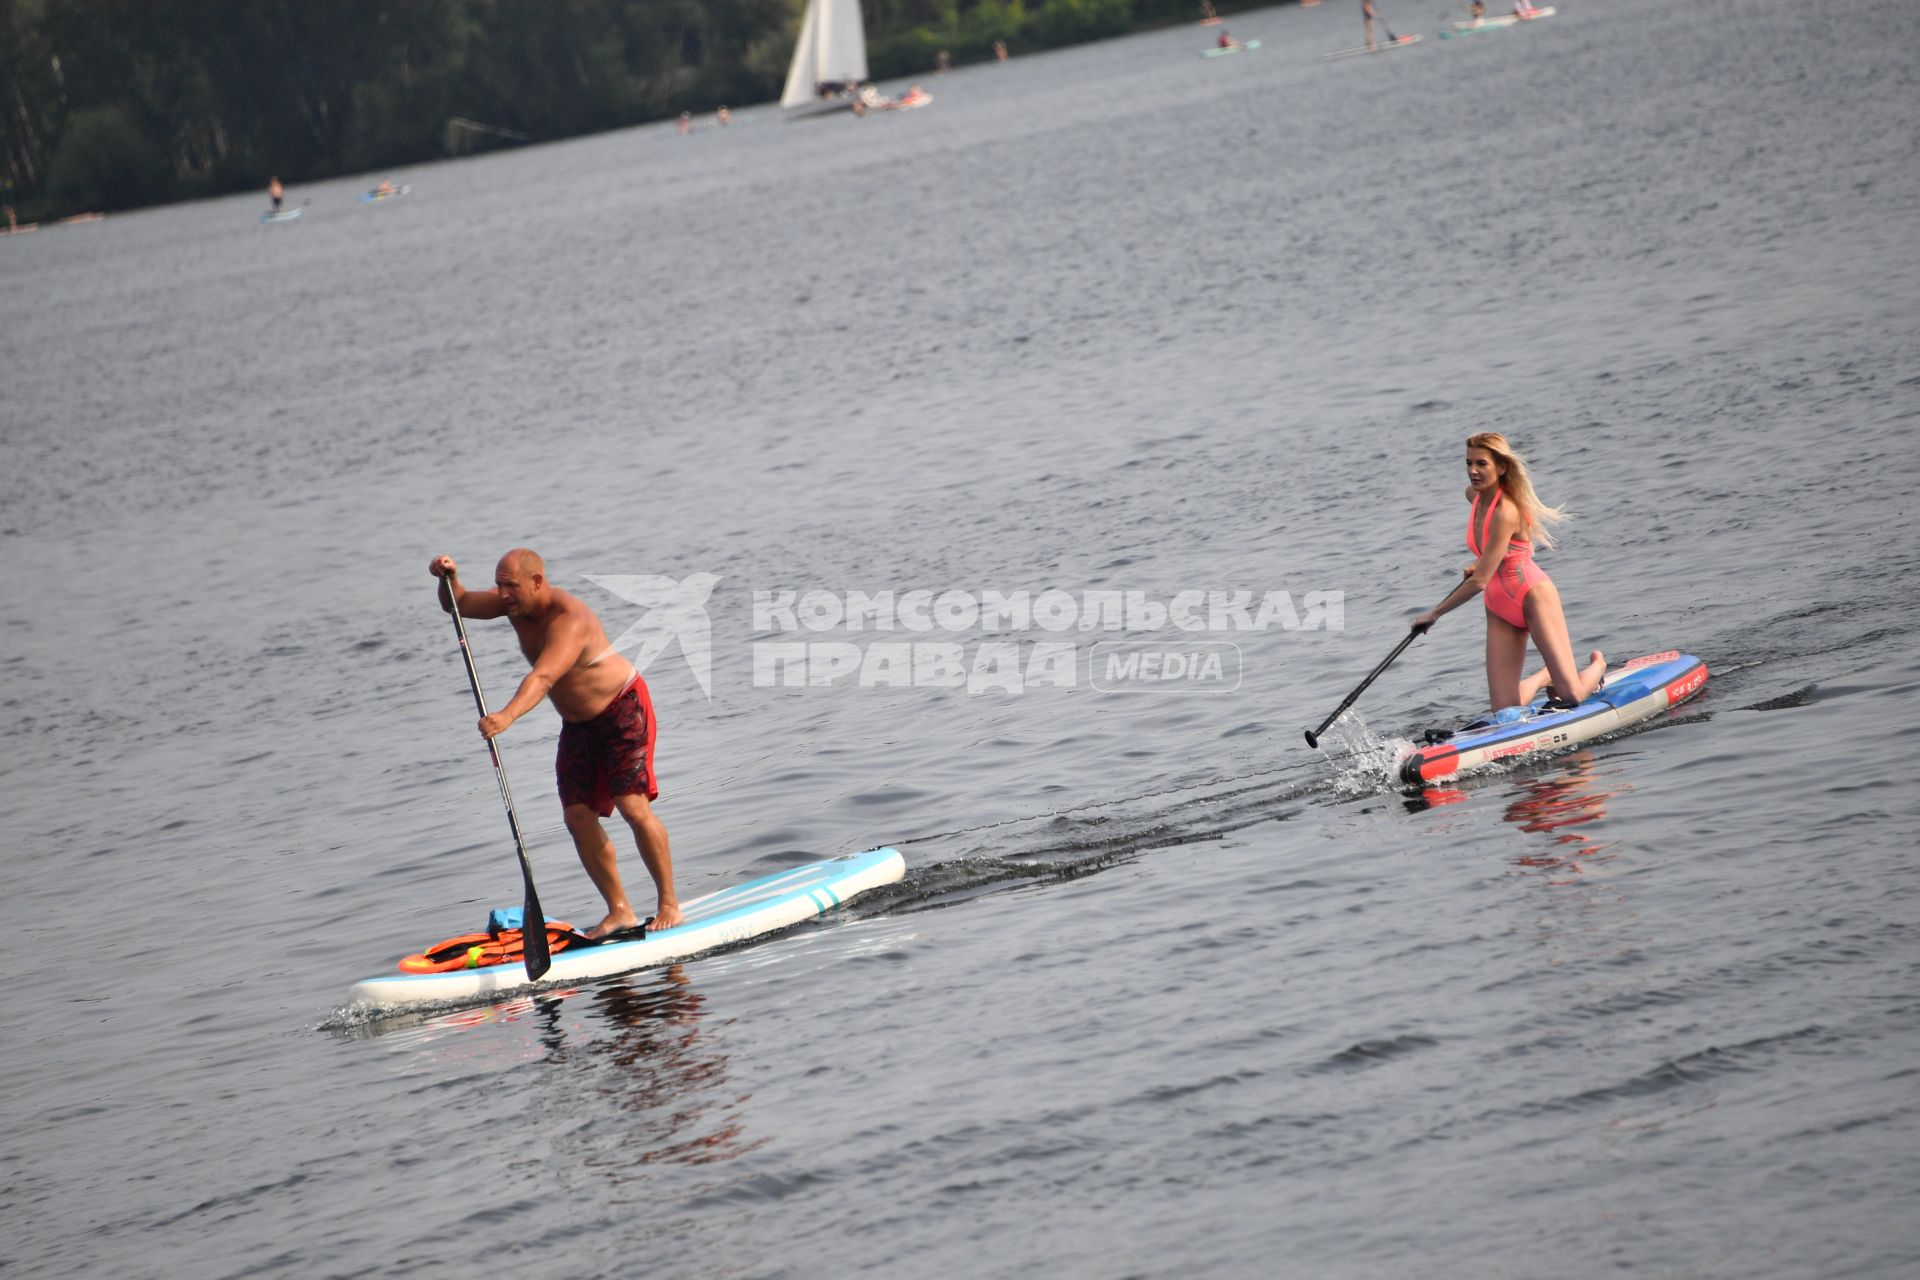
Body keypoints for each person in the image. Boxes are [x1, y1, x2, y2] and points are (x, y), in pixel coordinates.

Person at [429, 550, 685, 936]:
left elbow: (544, 677)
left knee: (632, 807)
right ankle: (620, 911)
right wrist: (446, 578)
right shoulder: (512, 603)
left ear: (537, 581)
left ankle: (669, 904)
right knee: (577, 817)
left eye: (511, 586)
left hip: (622, 710)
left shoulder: (570, 618)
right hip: (578, 725)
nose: (503, 594)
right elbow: (459, 604)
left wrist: (507, 716)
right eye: (499, 585)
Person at [1409, 434, 1606, 712]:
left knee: (1572, 694)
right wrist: (1482, 560)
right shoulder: (1473, 496)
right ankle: (1544, 677)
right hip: (1499, 605)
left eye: (1482, 464)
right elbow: (1496, 550)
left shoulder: (1507, 511)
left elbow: (1479, 582)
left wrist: (1435, 614)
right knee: (1504, 711)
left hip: (1532, 597)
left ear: (1501, 467)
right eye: (1469, 463)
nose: (1473, 471)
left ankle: (1598, 664)